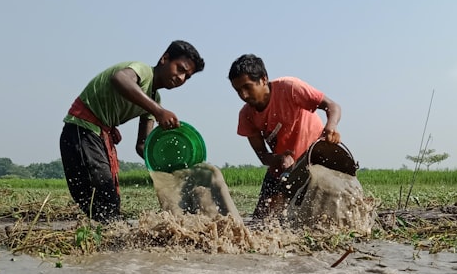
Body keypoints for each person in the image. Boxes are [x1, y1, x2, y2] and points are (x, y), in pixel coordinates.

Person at [60, 40, 205, 222]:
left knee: (107, 203)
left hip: (98, 136)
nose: (181, 79)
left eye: (187, 77)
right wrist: (158, 112)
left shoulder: (154, 99)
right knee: (104, 198)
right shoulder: (142, 71)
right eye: (180, 69)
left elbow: (142, 144)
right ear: (165, 58)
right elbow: (119, 79)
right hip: (82, 130)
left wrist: (169, 166)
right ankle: (106, 240)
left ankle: (102, 240)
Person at [228, 53, 343, 219]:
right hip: (283, 168)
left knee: (323, 215)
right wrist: (277, 159)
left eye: (247, 87)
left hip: (314, 158)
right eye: (238, 90)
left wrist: (330, 129)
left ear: (263, 79)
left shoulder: (290, 88)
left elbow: (333, 106)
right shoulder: (246, 115)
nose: (243, 95)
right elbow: (262, 155)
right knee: (260, 220)